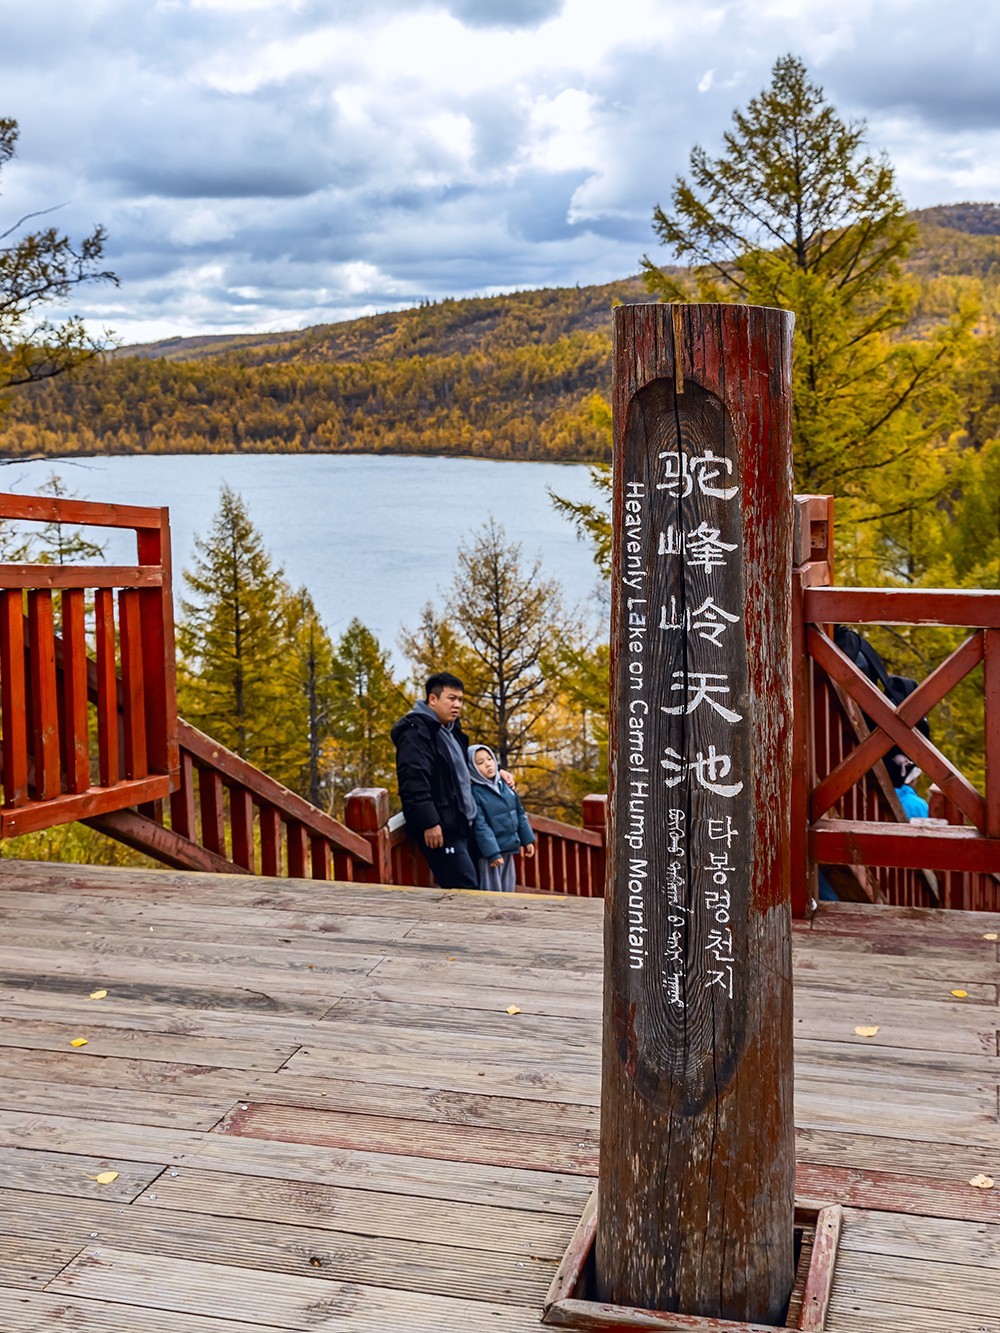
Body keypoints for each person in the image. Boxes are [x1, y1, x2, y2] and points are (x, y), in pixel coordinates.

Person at [391, 672, 481, 889]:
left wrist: (499, 773)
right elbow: (413, 781)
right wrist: (429, 822)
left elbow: (460, 768)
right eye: (451, 698)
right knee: (465, 891)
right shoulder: (416, 733)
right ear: (433, 699)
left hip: (462, 825)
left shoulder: (450, 730)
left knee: (473, 889)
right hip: (443, 830)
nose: (457, 705)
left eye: (460, 700)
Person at [468, 744, 535, 893]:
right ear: (472, 768)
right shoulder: (475, 792)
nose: (488, 764)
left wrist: (527, 839)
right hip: (489, 854)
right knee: (492, 888)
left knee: (508, 885)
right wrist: (492, 853)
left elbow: (519, 813)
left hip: (508, 846)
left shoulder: (505, 786)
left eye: (489, 759)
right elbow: (481, 825)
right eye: (480, 763)